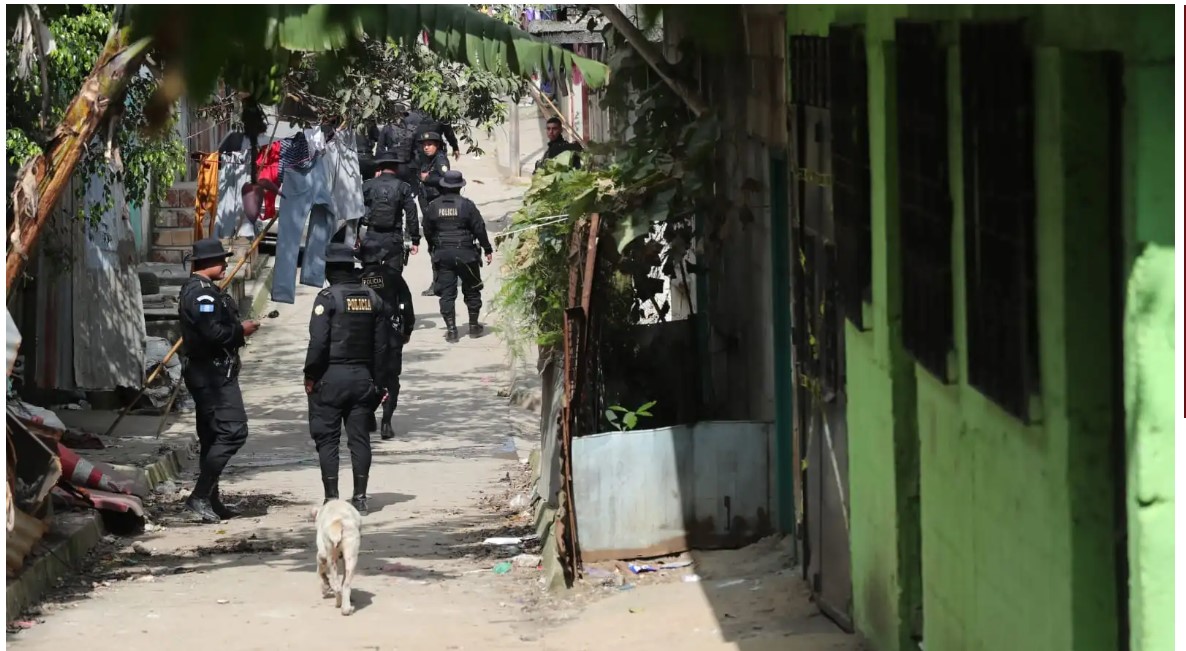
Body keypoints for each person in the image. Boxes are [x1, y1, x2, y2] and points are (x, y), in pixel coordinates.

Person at [178, 238, 261, 523]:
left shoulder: (204, 291)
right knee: (234, 431)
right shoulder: (200, 295)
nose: (225, 265)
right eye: (221, 261)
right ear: (206, 264)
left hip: (212, 372)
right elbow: (212, 333)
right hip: (211, 375)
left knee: (212, 435)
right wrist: (241, 331)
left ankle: (211, 500)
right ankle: (199, 496)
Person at [304, 243, 389, 515]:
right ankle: (361, 498)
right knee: (359, 439)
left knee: (328, 439)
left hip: (330, 377)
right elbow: (381, 346)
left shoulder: (327, 298)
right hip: (362, 377)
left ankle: (331, 498)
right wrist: (378, 383)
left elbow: (318, 342)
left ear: (330, 269)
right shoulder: (372, 298)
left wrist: (310, 375)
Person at [423, 170, 493, 343]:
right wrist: (487, 248)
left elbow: (427, 229)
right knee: (472, 289)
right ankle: (474, 326)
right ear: (460, 187)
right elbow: (479, 228)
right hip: (466, 254)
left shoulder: (433, 206)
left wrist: (433, 246)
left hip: (443, 254)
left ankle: (452, 330)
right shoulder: (467, 205)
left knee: (447, 293)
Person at [359, 265, 415, 440]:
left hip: (365, 335)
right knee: (391, 379)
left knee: (366, 377)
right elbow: (406, 303)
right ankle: (386, 422)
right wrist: (408, 329)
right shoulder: (393, 275)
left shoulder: (359, 277)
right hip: (391, 333)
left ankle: (368, 415)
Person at [417, 131, 451, 297]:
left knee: (437, 250)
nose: (426, 147)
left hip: (438, 214)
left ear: (437, 145)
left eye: (429, 144)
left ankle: (439, 283)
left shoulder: (440, 160)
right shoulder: (428, 161)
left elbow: (446, 178)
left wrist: (427, 179)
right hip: (429, 213)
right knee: (434, 249)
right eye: (424, 144)